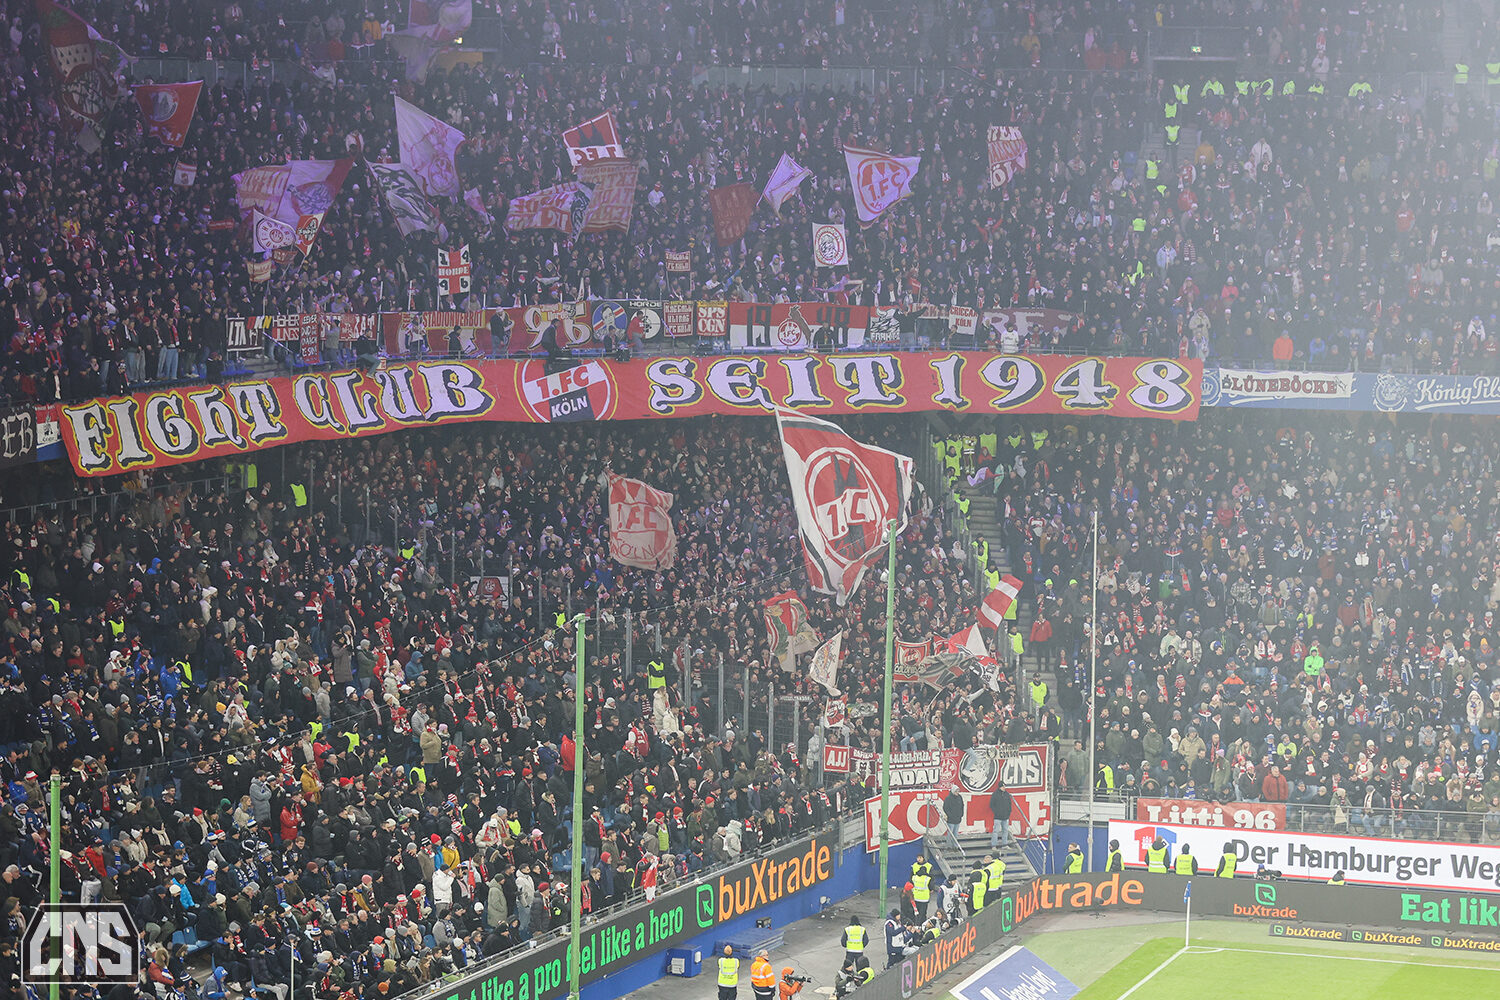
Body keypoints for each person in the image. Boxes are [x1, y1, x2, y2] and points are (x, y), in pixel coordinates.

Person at [988, 780, 1013, 849]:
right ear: (1000, 787)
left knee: (1005, 831)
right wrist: (996, 812)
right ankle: (994, 845)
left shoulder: (1007, 794)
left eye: (1005, 786)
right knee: (995, 831)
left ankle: (1004, 844)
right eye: (1003, 786)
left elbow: (1009, 804)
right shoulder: (995, 794)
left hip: (1006, 816)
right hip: (998, 817)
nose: (1004, 788)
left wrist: (1009, 812)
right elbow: (991, 804)